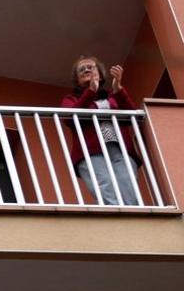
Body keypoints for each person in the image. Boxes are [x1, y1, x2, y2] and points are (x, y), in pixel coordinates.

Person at [61, 57, 142, 206]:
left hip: (119, 148)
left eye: (91, 67)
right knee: (105, 188)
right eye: (82, 69)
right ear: (77, 79)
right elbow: (70, 118)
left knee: (128, 186)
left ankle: (133, 220)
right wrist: (91, 91)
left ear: (100, 74)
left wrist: (118, 89)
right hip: (91, 151)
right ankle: (117, 223)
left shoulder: (113, 96)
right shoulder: (71, 99)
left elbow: (133, 117)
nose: (86, 70)